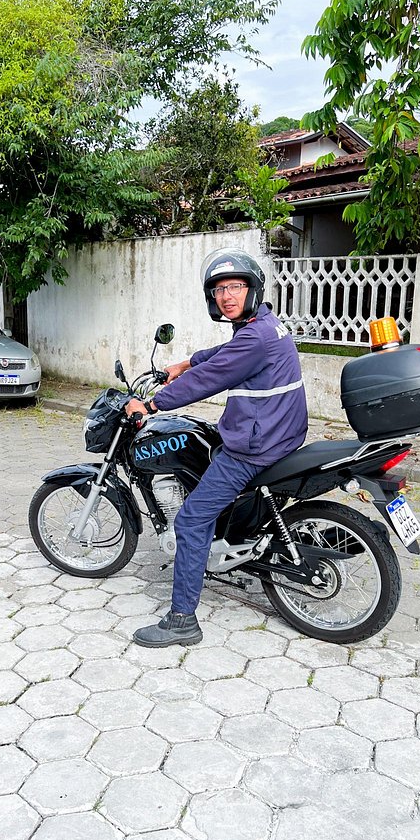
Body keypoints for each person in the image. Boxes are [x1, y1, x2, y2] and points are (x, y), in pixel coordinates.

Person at [125, 248, 308, 648]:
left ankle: (182, 621)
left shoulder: (255, 338)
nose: (227, 296)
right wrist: (187, 361)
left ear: (252, 288)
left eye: (235, 287)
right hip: (280, 432)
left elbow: (212, 377)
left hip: (255, 447)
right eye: (220, 289)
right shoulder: (264, 324)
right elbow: (223, 355)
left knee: (191, 521)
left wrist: (151, 404)